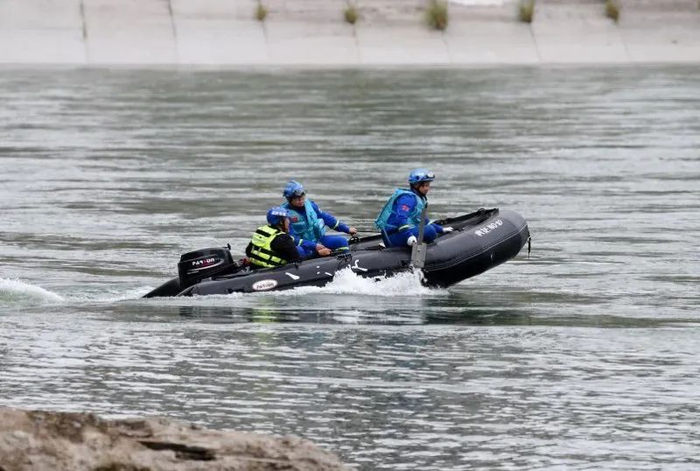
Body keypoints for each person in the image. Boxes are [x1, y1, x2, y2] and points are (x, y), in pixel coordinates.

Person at [375, 168, 454, 248]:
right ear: (417, 185)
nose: (428, 189)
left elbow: (423, 220)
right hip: (393, 236)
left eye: (428, 185)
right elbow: (400, 218)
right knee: (430, 230)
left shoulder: (418, 198)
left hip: (399, 233)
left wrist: (441, 229)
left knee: (429, 228)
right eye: (426, 186)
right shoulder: (408, 199)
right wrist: (408, 236)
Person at [281, 180, 357, 259]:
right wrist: (314, 246)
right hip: (303, 246)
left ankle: (344, 262)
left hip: (318, 240)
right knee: (299, 251)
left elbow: (328, 219)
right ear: (289, 199)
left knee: (341, 241)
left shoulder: (311, 205)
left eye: (302, 196)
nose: (300, 200)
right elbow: (292, 239)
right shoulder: (284, 213)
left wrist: (347, 229)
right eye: (296, 198)